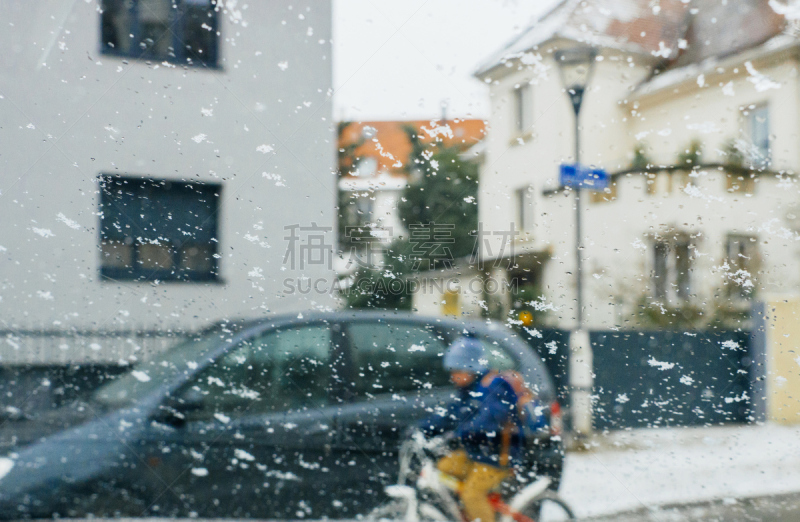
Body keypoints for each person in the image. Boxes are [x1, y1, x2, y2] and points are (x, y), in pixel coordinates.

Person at [419, 335, 524, 522]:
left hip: (497, 456)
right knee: (442, 468)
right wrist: (423, 429)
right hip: (475, 453)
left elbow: (490, 419)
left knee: (471, 494)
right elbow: (449, 414)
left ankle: (477, 511)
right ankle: (466, 514)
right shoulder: (467, 390)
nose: (453, 376)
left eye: (457, 371)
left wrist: (462, 432)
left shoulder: (495, 387)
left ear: (471, 368)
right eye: (451, 372)